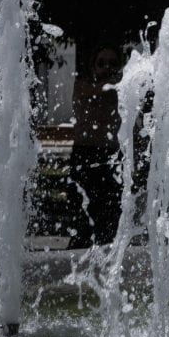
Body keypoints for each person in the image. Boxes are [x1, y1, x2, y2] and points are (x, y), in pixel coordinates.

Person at [67, 44, 123, 247]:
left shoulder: (122, 90)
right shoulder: (82, 86)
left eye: (112, 63)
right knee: (81, 211)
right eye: (101, 63)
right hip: (84, 153)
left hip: (110, 155)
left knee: (110, 214)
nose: (107, 67)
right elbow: (97, 93)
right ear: (93, 67)